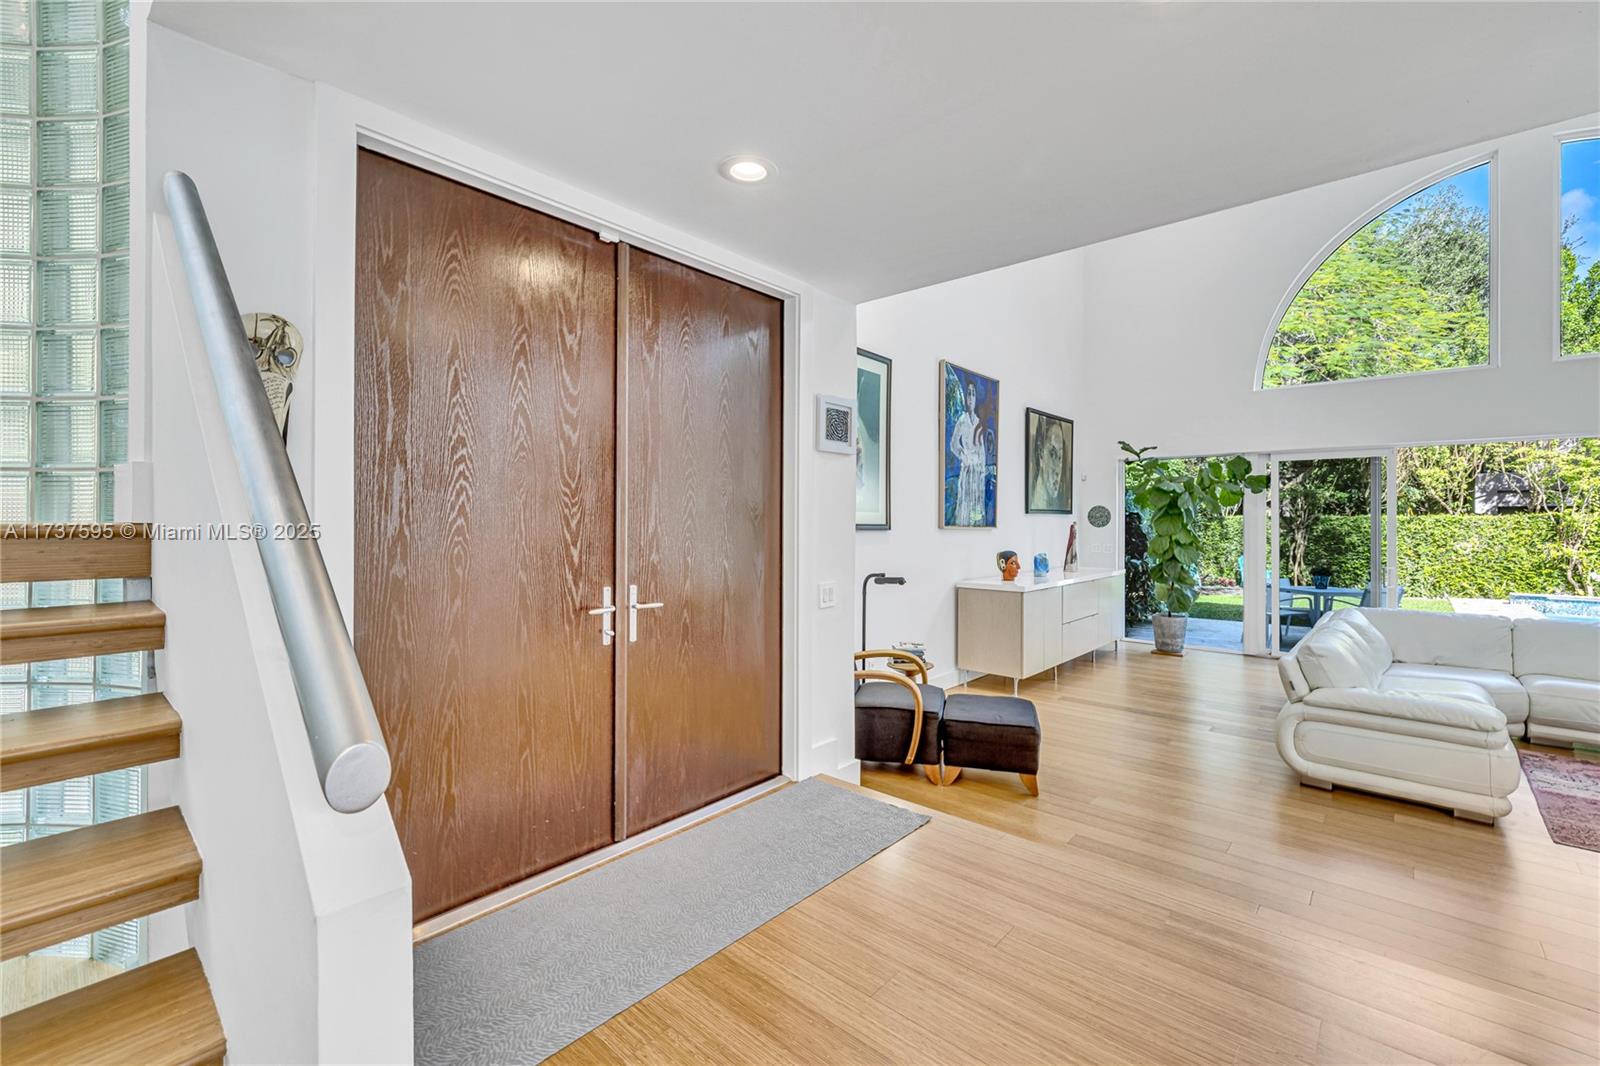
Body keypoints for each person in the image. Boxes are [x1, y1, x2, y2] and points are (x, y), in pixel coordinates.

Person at [951, 380, 987, 524]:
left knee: (976, 506)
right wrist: (962, 455)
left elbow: (982, 450)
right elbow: (953, 444)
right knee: (965, 503)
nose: (971, 398)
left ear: (976, 398)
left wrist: (982, 470)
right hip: (966, 469)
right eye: (969, 394)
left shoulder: (979, 423)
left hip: (977, 472)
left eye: (973, 394)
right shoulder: (962, 420)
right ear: (966, 398)